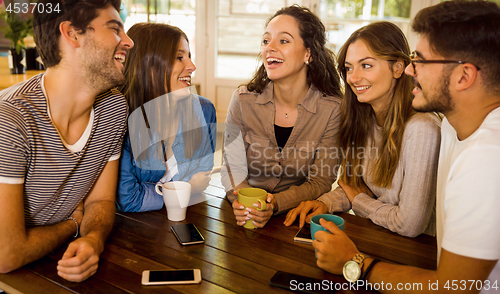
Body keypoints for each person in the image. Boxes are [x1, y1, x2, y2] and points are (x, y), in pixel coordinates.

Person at [312, 1, 500, 292]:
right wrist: (331, 200)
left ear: (464, 76)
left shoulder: (485, 158)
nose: (411, 68)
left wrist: (355, 262)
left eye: (421, 60)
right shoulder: (455, 128)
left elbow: (454, 287)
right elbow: (354, 184)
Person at [0, 0, 133, 282]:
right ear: (72, 34)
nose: (128, 41)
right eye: (115, 29)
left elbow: (101, 199)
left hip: (50, 263)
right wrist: (72, 224)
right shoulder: (10, 120)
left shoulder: (113, 108)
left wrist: (94, 238)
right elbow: (5, 255)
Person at [284, 21, 440, 238]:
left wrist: (358, 200)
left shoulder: (422, 129)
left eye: (366, 65)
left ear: (397, 68)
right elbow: (354, 186)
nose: (353, 78)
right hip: (380, 237)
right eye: (349, 68)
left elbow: (409, 224)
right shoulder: (363, 118)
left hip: (416, 255)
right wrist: (324, 203)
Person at [222, 5, 342, 228]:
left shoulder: (332, 109)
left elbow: (321, 181)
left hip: (294, 218)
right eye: (266, 41)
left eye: (283, 41)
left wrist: (275, 203)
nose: (270, 48)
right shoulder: (242, 100)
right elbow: (231, 168)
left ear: (309, 53)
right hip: (241, 213)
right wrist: (245, 202)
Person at [116, 23, 216, 212]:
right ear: (149, 65)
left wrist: (158, 191)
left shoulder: (204, 110)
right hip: (134, 231)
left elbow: (202, 176)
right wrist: (186, 187)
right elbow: (128, 198)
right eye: (179, 58)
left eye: (189, 56)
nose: (192, 66)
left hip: (187, 218)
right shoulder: (120, 118)